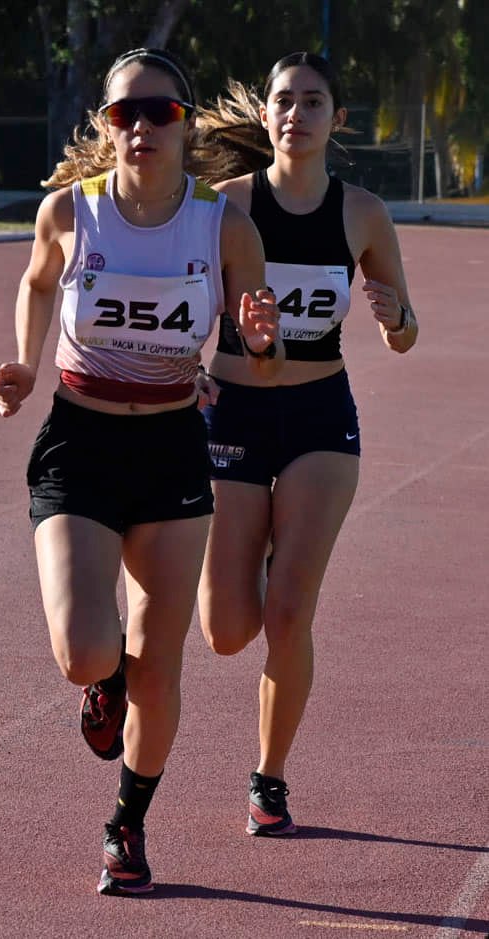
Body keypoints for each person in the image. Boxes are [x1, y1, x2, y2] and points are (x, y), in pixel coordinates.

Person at [0, 47, 282, 895]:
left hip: (170, 453)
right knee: (85, 651)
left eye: (160, 112)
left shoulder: (223, 227)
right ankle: (104, 679)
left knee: (163, 665)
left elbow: (257, 353)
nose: (142, 127)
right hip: (79, 443)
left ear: (184, 126)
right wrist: (23, 362)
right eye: (125, 114)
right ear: (105, 126)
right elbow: (38, 284)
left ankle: (126, 824)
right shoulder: (67, 214)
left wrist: (260, 342)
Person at [196, 52, 418, 837]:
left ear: (337, 120)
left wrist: (394, 316)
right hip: (231, 422)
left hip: (321, 420)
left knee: (289, 611)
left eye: (313, 101)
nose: (297, 113)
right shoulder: (222, 208)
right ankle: (256, 551)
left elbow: (405, 335)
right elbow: (183, 312)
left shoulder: (361, 214)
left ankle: (269, 777)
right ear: (265, 116)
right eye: (283, 100)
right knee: (227, 631)